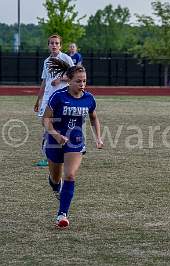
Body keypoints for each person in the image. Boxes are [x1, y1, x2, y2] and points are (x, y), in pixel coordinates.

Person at [43, 57, 103, 228]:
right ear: (68, 81)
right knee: (55, 178)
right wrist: (55, 135)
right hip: (55, 140)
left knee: (69, 175)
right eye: (78, 81)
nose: (82, 84)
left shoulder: (89, 98)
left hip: (75, 140)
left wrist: (98, 137)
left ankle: (62, 214)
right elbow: (46, 120)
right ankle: (56, 187)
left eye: (84, 81)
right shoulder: (58, 96)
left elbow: (94, 118)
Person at [33, 34, 74, 167]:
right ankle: (49, 155)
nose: (54, 45)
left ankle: (59, 153)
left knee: (55, 125)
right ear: (48, 45)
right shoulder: (46, 61)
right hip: (47, 98)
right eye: (52, 43)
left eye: (56, 43)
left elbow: (74, 76)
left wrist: (61, 79)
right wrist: (38, 100)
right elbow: (45, 81)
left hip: (62, 98)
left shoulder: (66, 58)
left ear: (60, 45)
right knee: (46, 124)